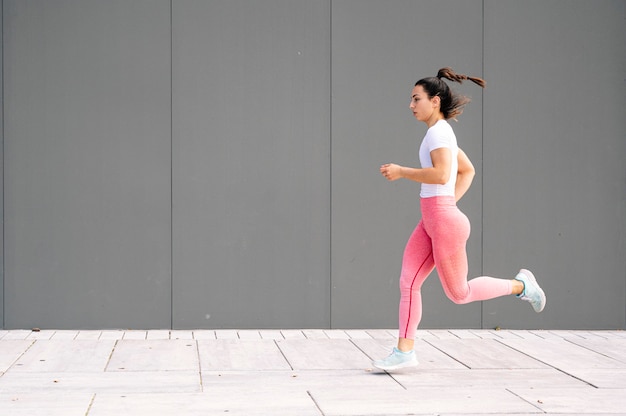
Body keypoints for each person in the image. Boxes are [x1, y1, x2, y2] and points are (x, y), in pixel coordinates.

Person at [373, 68, 546, 371]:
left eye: (416, 99)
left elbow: (442, 174)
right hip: (433, 219)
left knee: (459, 293)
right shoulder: (439, 134)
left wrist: (403, 172)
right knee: (408, 282)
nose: (411, 105)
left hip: (442, 222)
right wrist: (445, 202)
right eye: (411, 100)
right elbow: (466, 171)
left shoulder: (439, 133)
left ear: (435, 101)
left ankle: (521, 285)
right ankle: (404, 351)